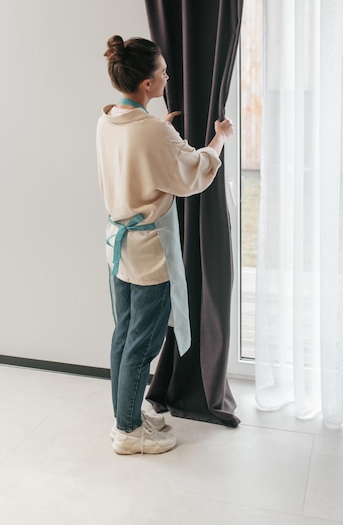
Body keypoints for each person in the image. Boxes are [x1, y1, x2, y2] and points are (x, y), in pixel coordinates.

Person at [96, 35, 233, 455]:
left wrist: (163, 132)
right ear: (148, 85)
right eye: (163, 72)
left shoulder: (108, 120)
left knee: (124, 335)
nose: (168, 76)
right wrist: (220, 138)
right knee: (144, 342)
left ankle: (127, 416)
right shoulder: (153, 132)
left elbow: (140, 153)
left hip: (116, 246)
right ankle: (128, 432)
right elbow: (192, 172)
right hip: (148, 252)